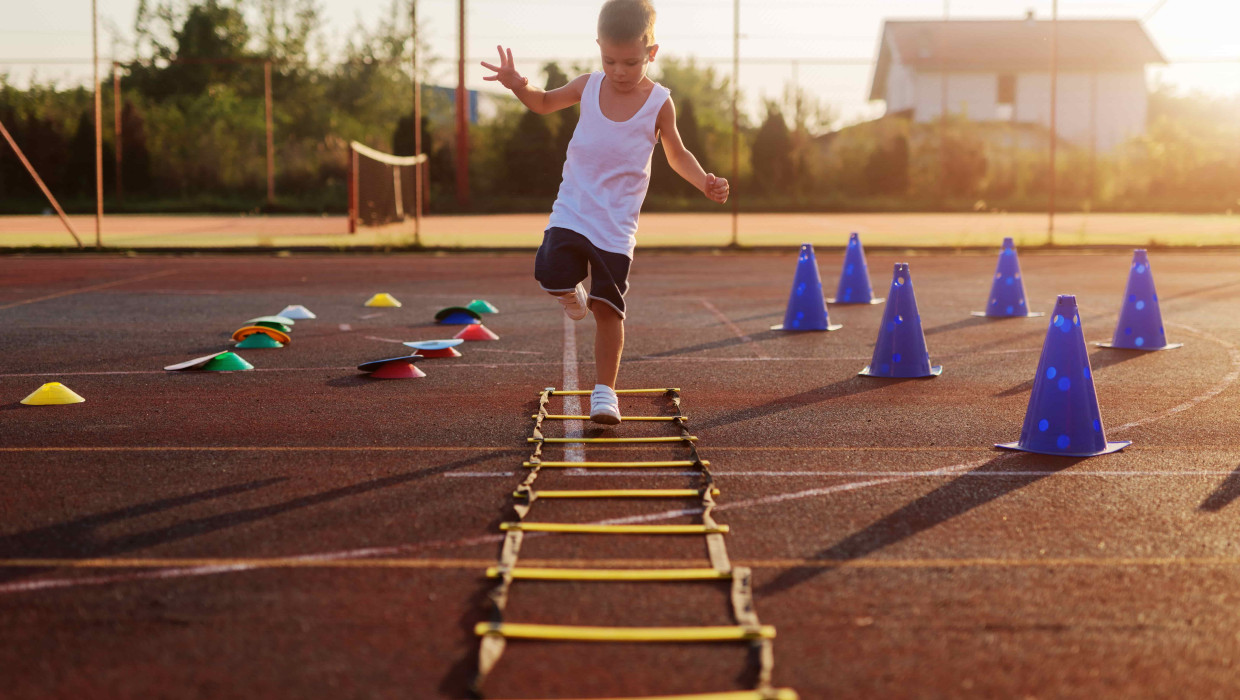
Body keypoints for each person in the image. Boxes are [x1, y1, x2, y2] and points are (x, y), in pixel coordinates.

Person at [482, 0, 729, 425]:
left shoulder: (660, 103)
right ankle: (569, 294)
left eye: (631, 62)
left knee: (608, 311)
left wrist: (704, 180)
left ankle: (604, 393)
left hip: (615, 226)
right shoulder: (587, 86)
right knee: (548, 270)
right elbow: (541, 103)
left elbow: (676, 154)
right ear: (599, 48)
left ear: (651, 52)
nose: (618, 70)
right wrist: (517, 83)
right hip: (573, 210)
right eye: (609, 59)